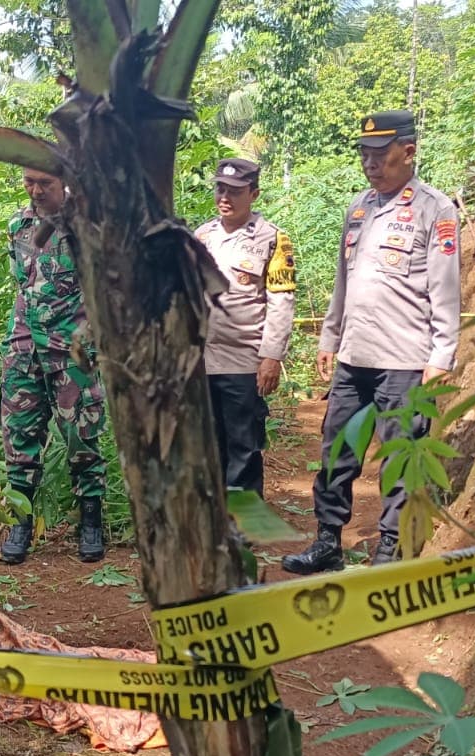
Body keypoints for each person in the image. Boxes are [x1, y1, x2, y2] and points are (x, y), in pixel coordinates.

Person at [282, 111, 461, 574]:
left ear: (409, 151)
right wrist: (330, 336)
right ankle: (327, 541)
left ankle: (389, 550)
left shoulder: (434, 210)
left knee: (399, 456)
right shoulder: (359, 208)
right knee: (336, 450)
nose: (370, 163)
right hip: (354, 356)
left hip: (405, 358)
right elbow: (345, 282)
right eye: (365, 154)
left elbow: (445, 291)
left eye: (380, 154)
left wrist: (441, 357)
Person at [0, 168, 108, 565]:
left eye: (44, 182)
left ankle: (91, 521)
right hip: (24, 348)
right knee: (19, 437)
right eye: (29, 181)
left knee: (82, 438)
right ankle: (20, 523)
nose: (36, 190)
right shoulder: (19, 225)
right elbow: (22, 285)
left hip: (71, 352)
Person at [194, 158, 297, 496]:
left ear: (254, 193)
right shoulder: (201, 236)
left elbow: (281, 301)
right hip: (201, 361)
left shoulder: (273, 239)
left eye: (236, 191)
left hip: (243, 361)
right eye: (221, 189)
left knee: (243, 445)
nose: (225, 197)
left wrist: (271, 357)